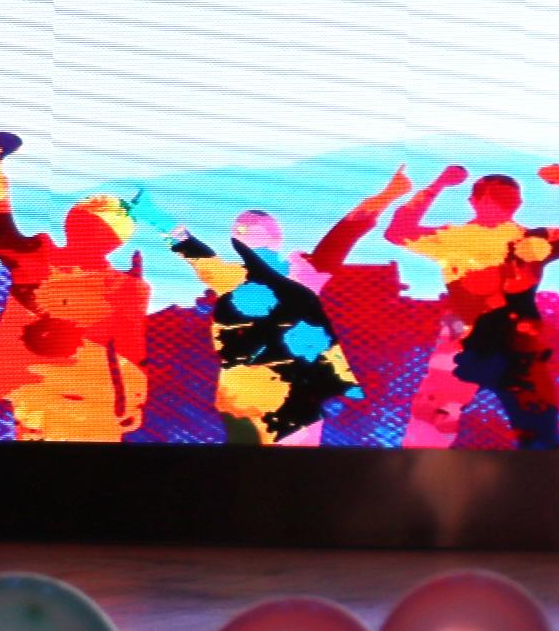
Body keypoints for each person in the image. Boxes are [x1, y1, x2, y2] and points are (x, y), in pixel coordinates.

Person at [172, 171, 415, 446]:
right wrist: (389, 194)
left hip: (250, 398)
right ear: (277, 239)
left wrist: (155, 217)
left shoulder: (231, 277)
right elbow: (348, 230)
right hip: (286, 399)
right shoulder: (303, 272)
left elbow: (186, 245)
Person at [387, 163, 559, 447]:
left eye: (510, 198)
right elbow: (397, 231)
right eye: (496, 197)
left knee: (538, 432)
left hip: (516, 344)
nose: (505, 204)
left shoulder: (533, 240)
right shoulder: (453, 238)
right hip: (463, 341)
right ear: (474, 201)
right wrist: (438, 184)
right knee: (430, 428)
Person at [0, 132, 151, 442]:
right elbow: (132, 351)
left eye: (95, 208)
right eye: (88, 203)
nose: (88, 203)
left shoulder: (41, 262)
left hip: (70, 403)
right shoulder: (118, 285)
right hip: (64, 403)